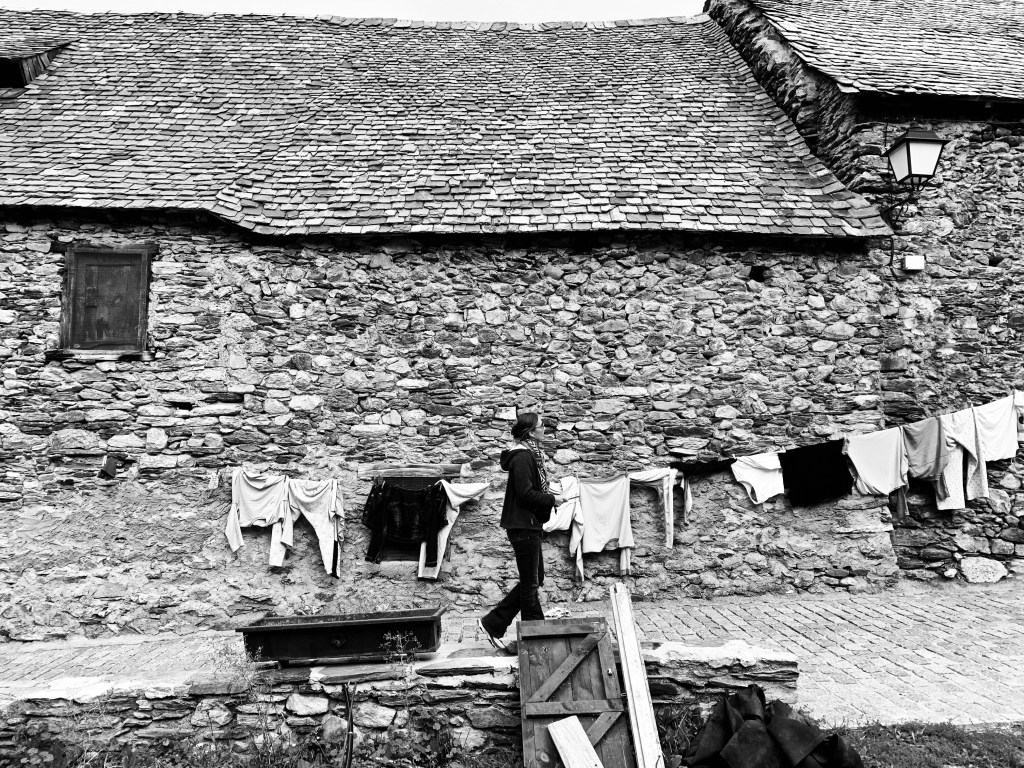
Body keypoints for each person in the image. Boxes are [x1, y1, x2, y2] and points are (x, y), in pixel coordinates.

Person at [478, 412, 567, 653]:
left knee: (535, 578)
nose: (544, 429)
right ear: (530, 432)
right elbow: (525, 494)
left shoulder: (529, 455)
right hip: (522, 526)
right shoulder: (523, 457)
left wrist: (550, 495)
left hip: (528, 525)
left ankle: (494, 623)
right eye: (541, 426)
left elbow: (528, 489)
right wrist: (552, 500)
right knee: (530, 583)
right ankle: (534, 637)